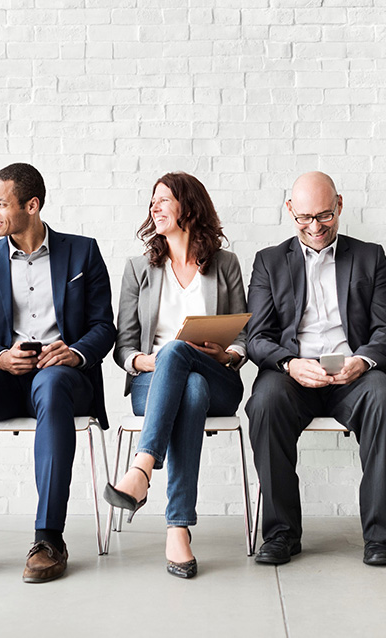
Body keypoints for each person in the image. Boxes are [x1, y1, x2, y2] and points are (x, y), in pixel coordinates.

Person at [0, 163, 115, 583]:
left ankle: (49, 538)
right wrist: (0, 357)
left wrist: (75, 353)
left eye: (1, 203)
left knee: (51, 385)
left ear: (31, 206)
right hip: (7, 376)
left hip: (64, 378)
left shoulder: (82, 252)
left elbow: (104, 325)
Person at [245, 171, 386, 567]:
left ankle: (379, 536)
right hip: (292, 372)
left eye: (324, 216)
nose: (314, 227)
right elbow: (256, 337)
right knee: (263, 404)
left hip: (354, 371)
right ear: (289, 211)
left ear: (339, 205)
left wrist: (362, 361)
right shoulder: (268, 261)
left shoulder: (370, 256)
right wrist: (290, 363)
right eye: (304, 218)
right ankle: (282, 533)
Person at [105, 172, 247, 579]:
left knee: (187, 362)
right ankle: (178, 528)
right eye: (153, 201)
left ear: (189, 206)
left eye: (164, 199)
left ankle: (142, 469)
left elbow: (245, 334)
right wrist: (145, 361)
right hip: (154, 382)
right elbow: (125, 346)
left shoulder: (225, 264)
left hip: (217, 373)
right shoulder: (139, 269)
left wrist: (229, 352)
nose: (155, 207)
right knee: (188, 384)